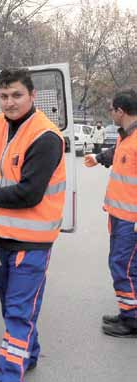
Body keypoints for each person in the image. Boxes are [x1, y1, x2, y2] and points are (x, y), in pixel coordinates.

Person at [0, 68, 66, 381]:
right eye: (4, 96)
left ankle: (8, 375)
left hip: (31, 244)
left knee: (18, 315)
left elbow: (29, 195)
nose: (9, 102)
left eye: (17, 95)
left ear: (33, 96)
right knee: (13, 309)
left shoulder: (46, 137)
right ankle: (29, 354)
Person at [84, 90, 137, 338]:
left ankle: (132, 320)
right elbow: (116, 156)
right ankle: (129, 311)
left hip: (131, 221)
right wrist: (97, 157)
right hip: (118, 216)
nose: (110, 114)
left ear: (120, 112)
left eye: (111, 110)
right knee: (124, 265)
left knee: (122, 266)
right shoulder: (125, 137)